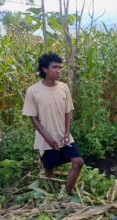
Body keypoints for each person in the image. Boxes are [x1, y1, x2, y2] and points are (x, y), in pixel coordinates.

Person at [22, 53, 83, 193]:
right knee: (50, 169)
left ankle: (66, 193)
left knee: (78, 162)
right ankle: (52, 194)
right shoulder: (33, 91)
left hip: (64, 136)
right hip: (46, 139)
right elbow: (33, 117)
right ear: (44, 69)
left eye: (60, 67)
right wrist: (47, 137)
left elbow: (68, 112)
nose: (58, 71)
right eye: (54, 67)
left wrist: (67, 132)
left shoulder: (64, 87)